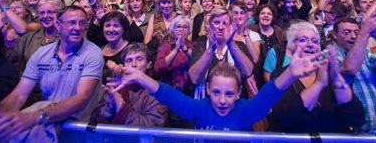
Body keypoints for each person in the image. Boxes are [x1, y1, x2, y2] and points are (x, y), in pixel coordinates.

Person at [107, 46, 328, 131]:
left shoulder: (247, 110)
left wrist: (290, 73)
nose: (222, 100)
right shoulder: (198, 108)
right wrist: (140, 76)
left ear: (239, 93)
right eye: (216, 92)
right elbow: (168, 95)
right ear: (208, 91)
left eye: (229, 94)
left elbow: (270, 93)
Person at [0, 6, 104, 142]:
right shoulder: (42, 53)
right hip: (48, 119)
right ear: (58, 24)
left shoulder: (93, 53)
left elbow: (82, 98)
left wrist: (37, 117)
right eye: (72, 22)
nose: (78, 27)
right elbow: (19, 95)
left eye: (82, 23)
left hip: (75, 126)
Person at [268, 22, 365, 133]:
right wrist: (319, 84)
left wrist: (337, 78)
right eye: (303, 40)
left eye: (315, 41)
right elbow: (287, 118)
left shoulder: (330, 73)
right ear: (290, 45)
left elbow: (357, 118)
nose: (310, 44)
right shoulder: (280, 74)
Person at [332, 14, 376, 132]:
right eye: (347, 32)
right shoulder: (328, 56)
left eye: (357, 32)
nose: (353, 36)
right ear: (335, 35)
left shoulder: (367, 53)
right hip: (347, 131)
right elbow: (349, 69)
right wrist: (364, 33)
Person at [91, 43, 167, 127]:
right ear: (123, 66)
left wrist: (122, 108)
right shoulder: (115, 87)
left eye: (139, 58)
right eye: (129, 60)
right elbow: (94, 121)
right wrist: (110, 108)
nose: (134, 64)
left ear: (148, 65)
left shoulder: (156, 91)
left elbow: (154, 126)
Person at [188, 7, 254, 99]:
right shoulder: (201, 44)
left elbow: (247, 72)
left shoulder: (239, 45)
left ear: (231, 26)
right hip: (206, 102)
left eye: (225, 23)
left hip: (234, 103)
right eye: (216, 23)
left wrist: (230, 43)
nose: (220, 27)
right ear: (210, 26)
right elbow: (195, 78)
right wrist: (212, 47)